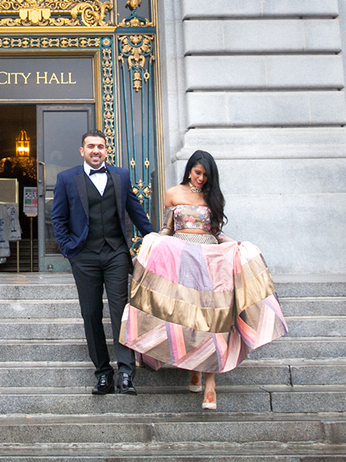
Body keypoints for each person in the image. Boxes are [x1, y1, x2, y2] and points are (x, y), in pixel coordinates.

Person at [120, 150, 288, 411]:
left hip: (210, 259)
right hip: (181, 260)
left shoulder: (213, 197)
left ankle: (210, 385)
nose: (201, 179)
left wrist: (237, 246)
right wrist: (153, 243)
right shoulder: (173, 193)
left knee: (212, 319)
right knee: (186, 318)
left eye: (206, 176)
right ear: (189, 170)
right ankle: (194, 369)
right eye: (198, 173)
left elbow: (216, 232)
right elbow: (167, 229)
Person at [49, 128, 155, 396]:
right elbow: (58, 218)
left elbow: (135, 210)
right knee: (91, 313)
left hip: (115, 253)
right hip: (84, 255)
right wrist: (69, 249)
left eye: (100, 146)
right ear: (82, 151)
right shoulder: (66, 178)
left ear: (107, 150)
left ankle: (126, 372)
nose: (96, 150)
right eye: (91, 146)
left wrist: (154, 238)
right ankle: (103, 373)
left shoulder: (121, 176)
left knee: (121, 311)